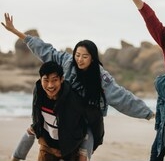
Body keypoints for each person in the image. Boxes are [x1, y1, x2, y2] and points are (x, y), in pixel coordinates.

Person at [2, 13, 155, 161]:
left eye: (85, 56)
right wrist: (16, 32)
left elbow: (121, 97)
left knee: (84, 146)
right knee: (34, 128)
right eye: (77, 55)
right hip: (62, 111)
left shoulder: (101, 78)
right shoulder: (68, 62)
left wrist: (148, 113)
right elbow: (45, 50)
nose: (79, 60)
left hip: (85, 118)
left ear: (93, 58)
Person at [32, 61, 88, 160]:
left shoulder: (73, 100)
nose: (50, 85)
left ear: (61, 79)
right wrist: (40, 137)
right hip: (48, 146)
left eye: (54, 80)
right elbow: (36, 116)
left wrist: (83, 152)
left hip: (71, 149)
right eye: (46, 80)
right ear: (41, 79)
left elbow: (84, 126)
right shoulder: (39, 92)